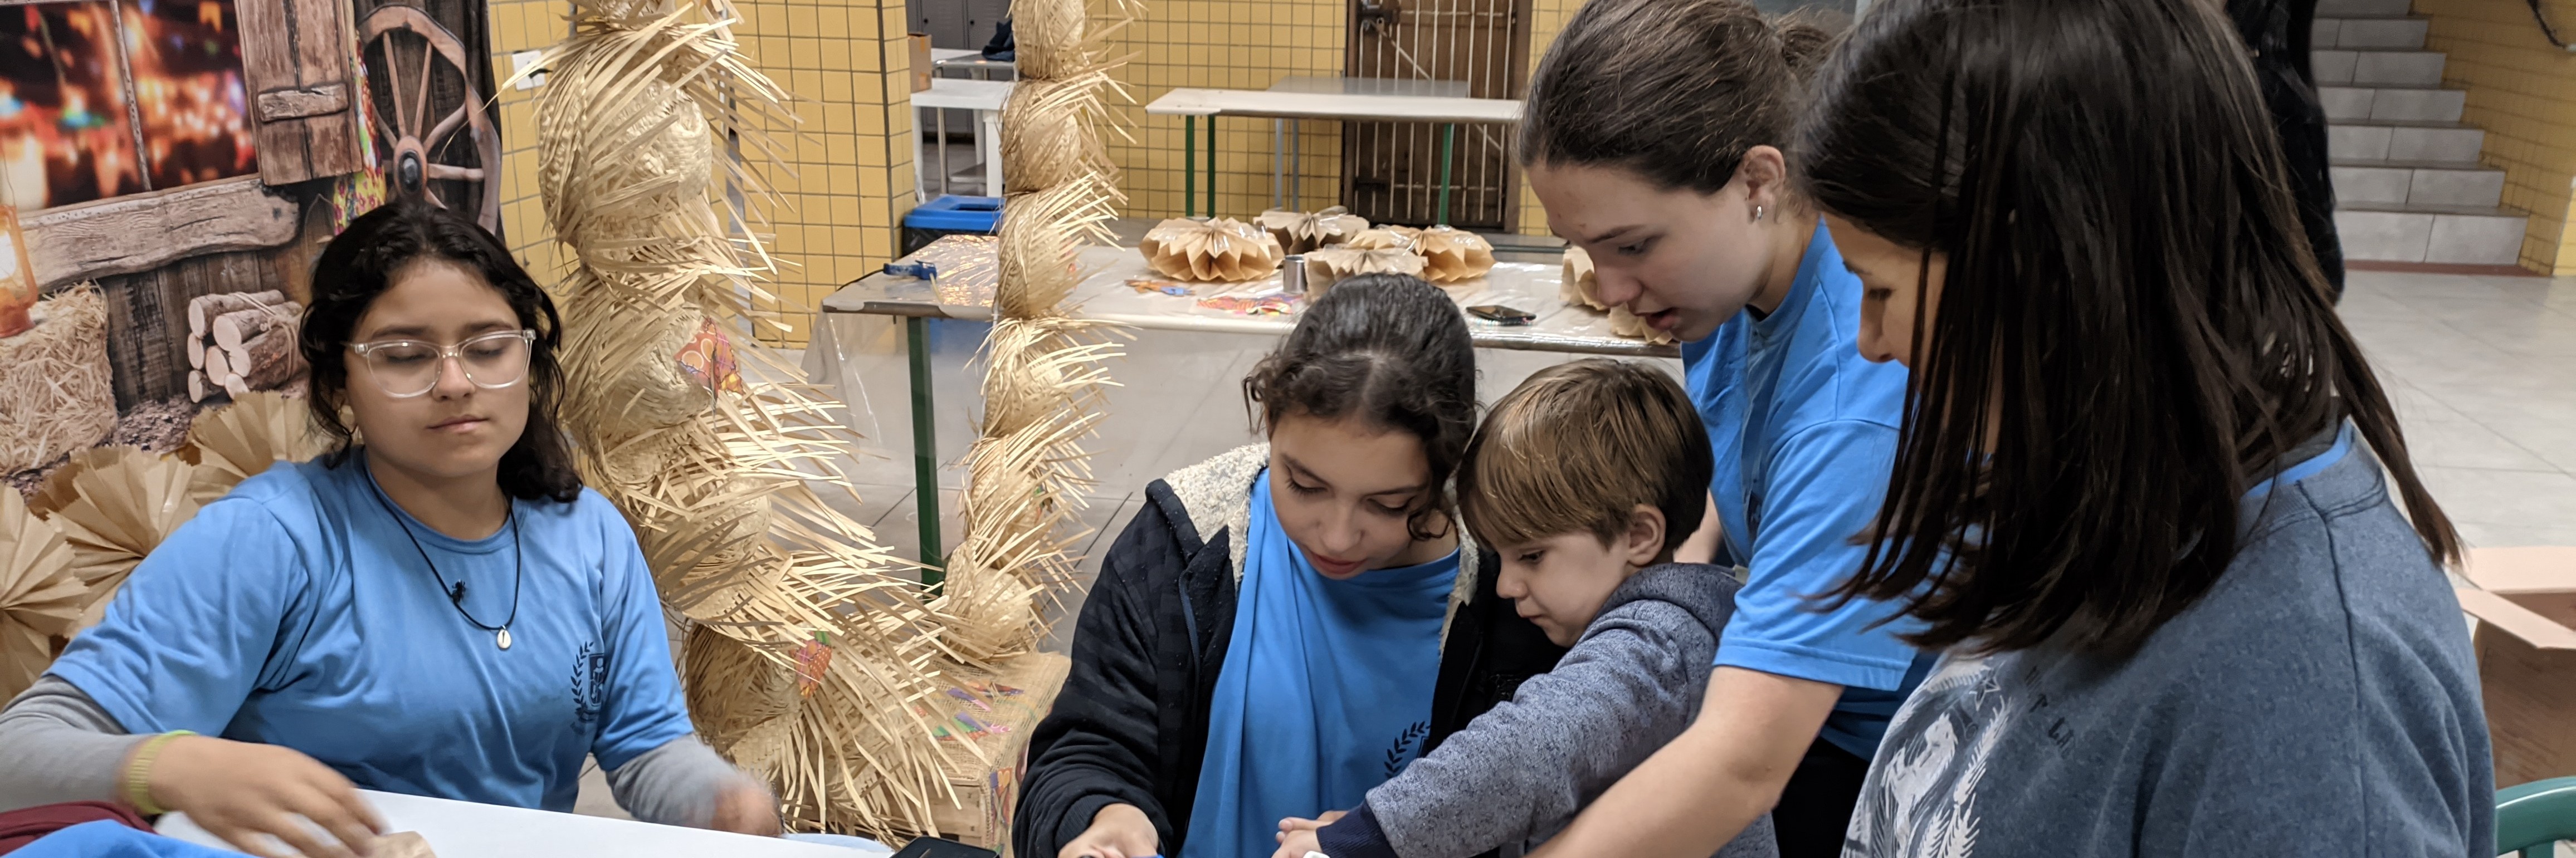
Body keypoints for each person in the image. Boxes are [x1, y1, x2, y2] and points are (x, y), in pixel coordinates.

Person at [1798, 0, 2491, 853]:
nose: (1871, 344)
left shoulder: (2308, 695)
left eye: (1880, 290)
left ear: (2039, 269)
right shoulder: (2107, 491)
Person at [0, 199, 778, 857]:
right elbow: (17, 755)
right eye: (404, 356)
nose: (454, 382)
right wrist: (170, 766)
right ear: (341, 387)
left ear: (529, 365)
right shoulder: (270, 543)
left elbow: (646, 747)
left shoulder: (589, 534)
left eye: (487, 347)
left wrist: (725, 807)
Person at [1510, 1, 1934, 855]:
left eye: (1632, 245)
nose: (1610, 288)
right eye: (1586, 250)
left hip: (1867, 759)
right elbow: (1730, 469)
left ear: (1756, 181)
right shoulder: (1725, 293)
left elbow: (1744, 764)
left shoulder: (1853, 399)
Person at [1013, 274, 1566, 858]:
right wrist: (1103, 818)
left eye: (1389, 504)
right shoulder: (1180, 545)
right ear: (1271, 421)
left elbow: (1543, 804)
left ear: (1446, 468)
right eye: (1303, 484)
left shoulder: (1511, 594)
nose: (1336, 535)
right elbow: (1085, 747)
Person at [1271, 359, 1776, 858]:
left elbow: (1526, 754)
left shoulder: (1654, 648)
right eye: (1503, 557)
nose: (1509, 585)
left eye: (1532, 556)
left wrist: (1371, 835)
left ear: (1638, 536)